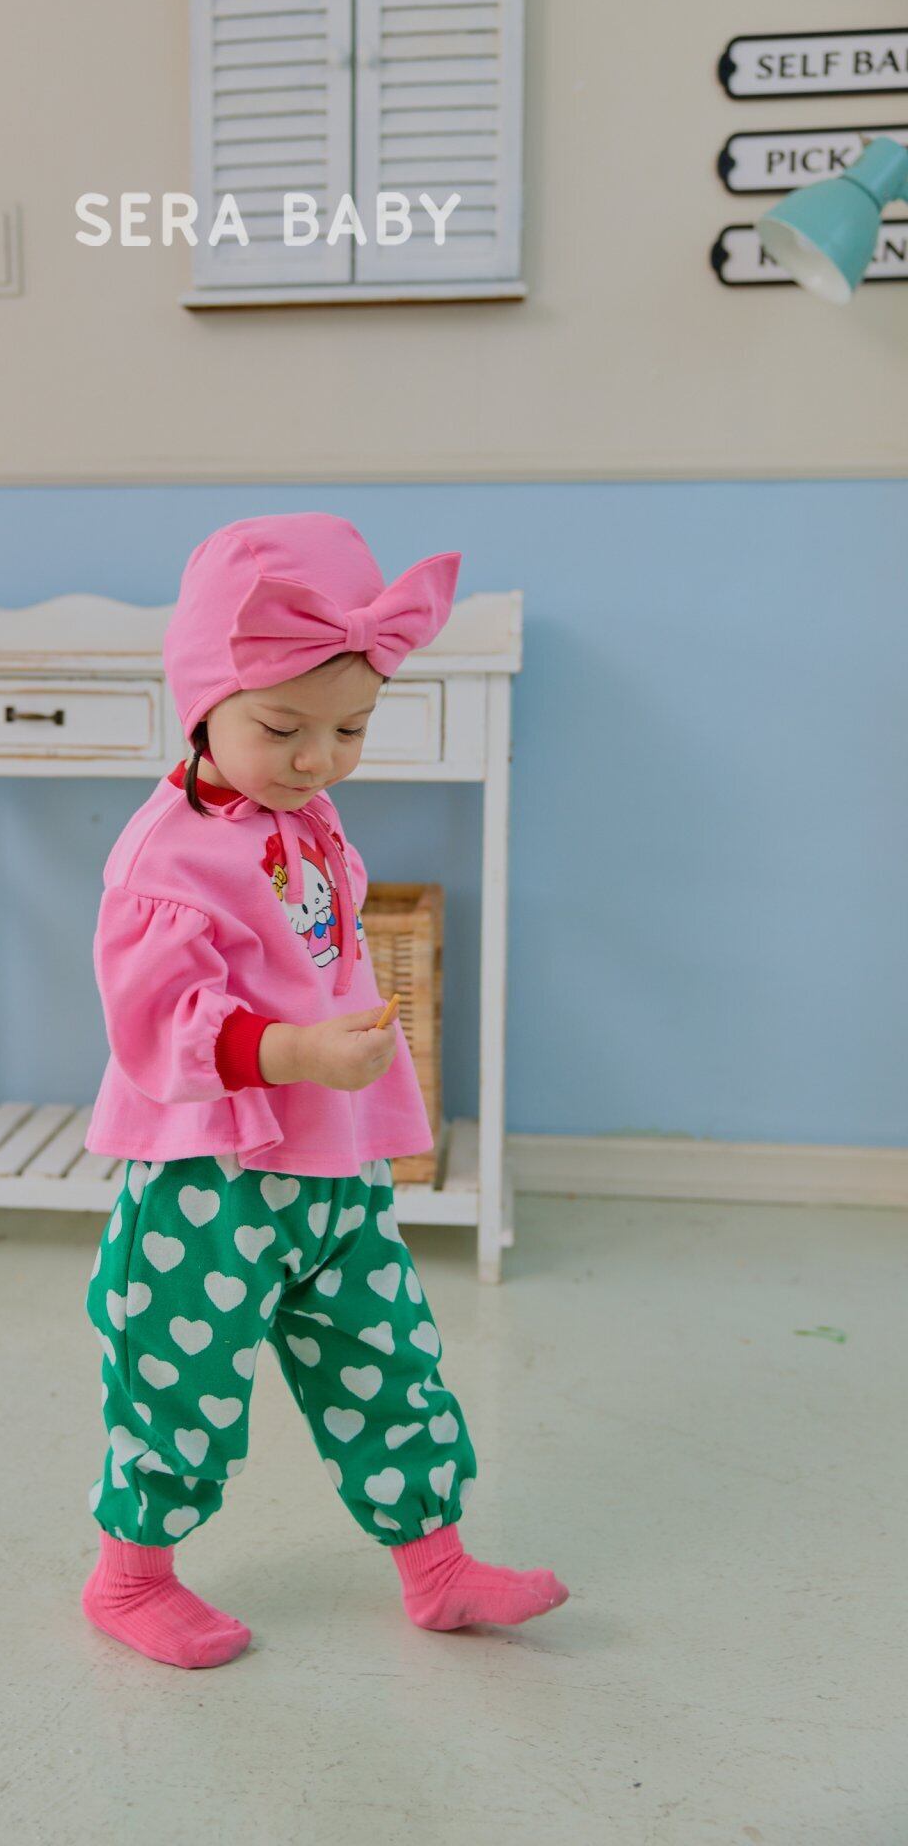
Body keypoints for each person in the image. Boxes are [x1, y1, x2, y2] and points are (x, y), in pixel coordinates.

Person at [80, 511, 569, 1668]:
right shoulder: (162, 856)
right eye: (281, 728)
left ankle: (435, 1565)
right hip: (209, 1180)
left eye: (350, 727)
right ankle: (128, 1577)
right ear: (201, 704)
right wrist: (295, 1054)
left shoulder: (304, 816)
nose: (317, 758)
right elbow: (157, 1021)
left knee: (387, 1358)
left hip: (331, 1168)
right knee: (180, 1377)